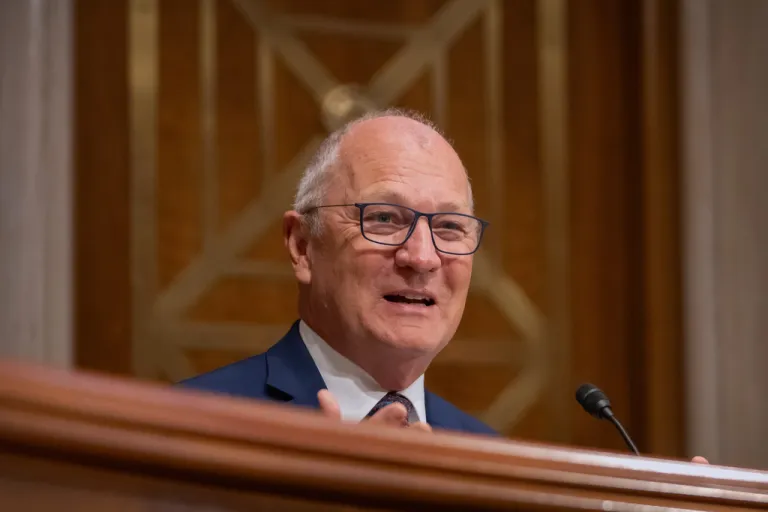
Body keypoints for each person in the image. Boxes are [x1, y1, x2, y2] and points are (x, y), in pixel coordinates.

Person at [180, 108, 496, 435]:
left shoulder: (491, 458)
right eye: (384, 218)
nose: (421, 258)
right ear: (302, 246)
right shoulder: (191, 426)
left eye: (449, 226)